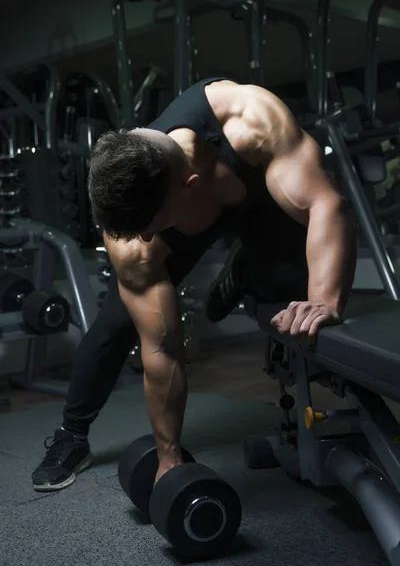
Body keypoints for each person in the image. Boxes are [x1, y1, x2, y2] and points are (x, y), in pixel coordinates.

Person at [32, 78, 357, 491]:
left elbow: (326, 204)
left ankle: (248, 269)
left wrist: (324, 301)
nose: (142, 240)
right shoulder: (136, 240)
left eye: (147, 230)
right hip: (181, 226)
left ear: (189, 187)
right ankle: (72, 435)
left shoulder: (251, 120)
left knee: (292, 293)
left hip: (261, 202)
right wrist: (170, 458)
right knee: (116, 322)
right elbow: (163, 348)